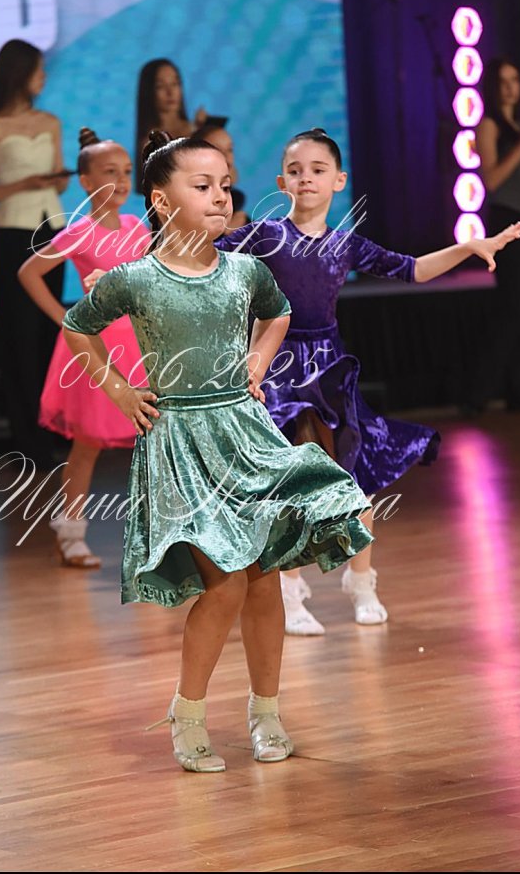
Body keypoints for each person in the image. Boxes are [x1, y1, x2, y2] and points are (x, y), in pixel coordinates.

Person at [61, 130, 375, 773]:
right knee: (226, 583)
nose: (219, 196)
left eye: (224, 185)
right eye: (202, 186)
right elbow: (77, 326)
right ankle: (188, 712)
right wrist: (118, 390)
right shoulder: (136, 278)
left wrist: (258, 364)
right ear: (161, 199)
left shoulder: (244, 270)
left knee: (261, 580)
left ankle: (267, 713)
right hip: (180, 442)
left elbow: (277, 313)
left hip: (244, 435)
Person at [216, 128, 520, 635]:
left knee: (355, 479)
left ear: (338, 180)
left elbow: (413, 269)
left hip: (329, 368)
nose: (306, 178)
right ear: (281, 182)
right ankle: (290, 591)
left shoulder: (345, 244)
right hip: (279, 369)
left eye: (317, 170)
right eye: (295, 171)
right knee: (288, 482)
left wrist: (468, 246)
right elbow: (198, 255)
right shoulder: (266, 236)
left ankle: (361, 581)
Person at [18, 128, 151, 568]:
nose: (122, 180)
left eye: (127, 171)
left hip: (139, 344)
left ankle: (160, 535)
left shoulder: (136, 227)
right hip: (97, 348)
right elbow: (29, 272)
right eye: (110, 172)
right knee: (88, 442)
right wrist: (63, 317)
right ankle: (71, 531)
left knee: (154, 440)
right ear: (87, 181)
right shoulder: (79, 232)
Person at [0, 39, 69, 468]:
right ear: (19, 73)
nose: (43, 77)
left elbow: (61, 183)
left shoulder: (50, 122)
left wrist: (58, 178)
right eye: (38, 69)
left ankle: (54, 429)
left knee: (50, 332)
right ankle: (27, 440)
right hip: (11, 233)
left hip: (53, 231)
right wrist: (21, 185)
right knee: (19, 337)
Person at [468, 59, 520, 412]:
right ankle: (477, 394)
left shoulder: (518, 125)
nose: (510, 88)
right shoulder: (489, 125)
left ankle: (516, 391)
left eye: (514, 80)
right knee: (512, 308)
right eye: (503, 81)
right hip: (506, 221)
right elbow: (491, 180)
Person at [134, 59, 206, 190]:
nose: (170, 92)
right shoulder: (149, 144)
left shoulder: (199, 130)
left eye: (175, 83)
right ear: (148, 91)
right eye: (160, 86)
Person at [192, 117, 250, 229]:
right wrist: (224, 232)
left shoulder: (235, 204)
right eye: (216, 149)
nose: (227, 157)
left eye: (230, 149)